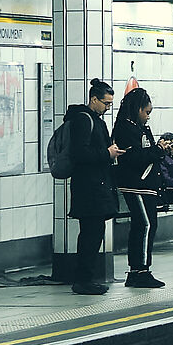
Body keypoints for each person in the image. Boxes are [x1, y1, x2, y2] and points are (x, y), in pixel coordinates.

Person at [64, 78, 122, 295]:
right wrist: (107, 154)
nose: (108, 108)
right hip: (88, 188)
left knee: (94, 233)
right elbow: (80, 154)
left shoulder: (97, 120)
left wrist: (111, 152)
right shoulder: (82, 120)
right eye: (105, 103)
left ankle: (86, 278)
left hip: (98, 184)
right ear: (93, 99)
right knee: (89, 234)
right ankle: (83, 279)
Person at [110, 85, 164, 289]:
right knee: (144, 225)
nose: (148, 117)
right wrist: (157, 151)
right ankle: (138, 271)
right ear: (137, 109)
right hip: (136, 184)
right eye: (147, 112)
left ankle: (142, 269)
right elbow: (134, 157)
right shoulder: (126, 128)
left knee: (148, 225)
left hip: (146, 184)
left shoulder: (138, 127)